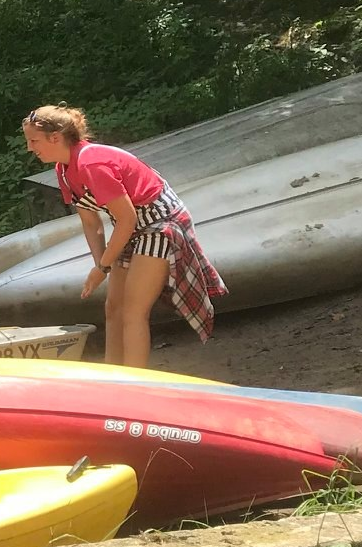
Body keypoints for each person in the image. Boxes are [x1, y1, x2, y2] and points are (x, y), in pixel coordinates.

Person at [22, 105, 226, 367]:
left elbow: (127, 218)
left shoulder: (91, 163)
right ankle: (113, 376)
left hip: (160, 224)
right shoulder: (63, 170)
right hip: (130, 226)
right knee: (113, 308)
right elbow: (91, 222)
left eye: (33, 140)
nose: (29, 148)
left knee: (133, 311)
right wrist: (100, 266)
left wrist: (103, 265)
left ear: (55, 137)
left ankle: (135, 383)